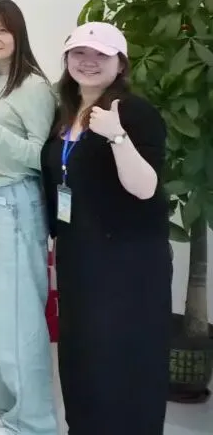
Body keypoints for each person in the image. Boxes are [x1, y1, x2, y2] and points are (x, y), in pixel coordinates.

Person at [40, 22, 170, 435]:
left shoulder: (135, 113)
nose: (89, 62)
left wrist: (117, 138)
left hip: (128, 257)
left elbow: (145, 187)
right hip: (79, 251)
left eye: (101, 55)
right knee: (81, 354)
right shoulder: (63, 111)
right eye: (79, 53)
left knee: (124, 359)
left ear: (121, 64)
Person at [0, 0, 58, 434]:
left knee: (19, 319)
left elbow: (43, 158)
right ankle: (8, 409)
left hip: (15, 204)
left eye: (1, 30)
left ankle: (34, 422)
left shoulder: (33, 86)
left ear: (18, 33)